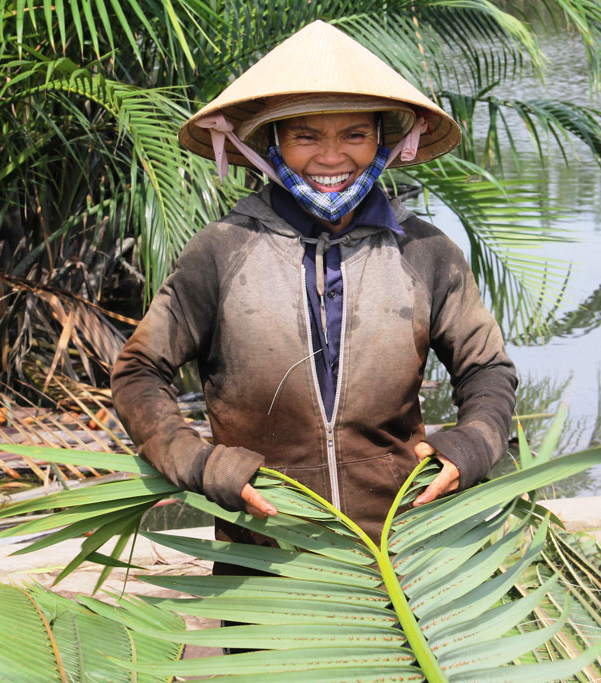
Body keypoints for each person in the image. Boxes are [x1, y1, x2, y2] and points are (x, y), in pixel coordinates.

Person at [111, 21, 517, 548]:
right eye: (306, 136)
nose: (331, 158)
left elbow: (487, 369)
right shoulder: (222, 250)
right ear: (272, 142)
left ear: (382, 142)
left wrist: (471, 447)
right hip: (264, 552)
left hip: (401, 544)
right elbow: (138, 372)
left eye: (354, 134)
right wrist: (201, 464)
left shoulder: (425, 252)